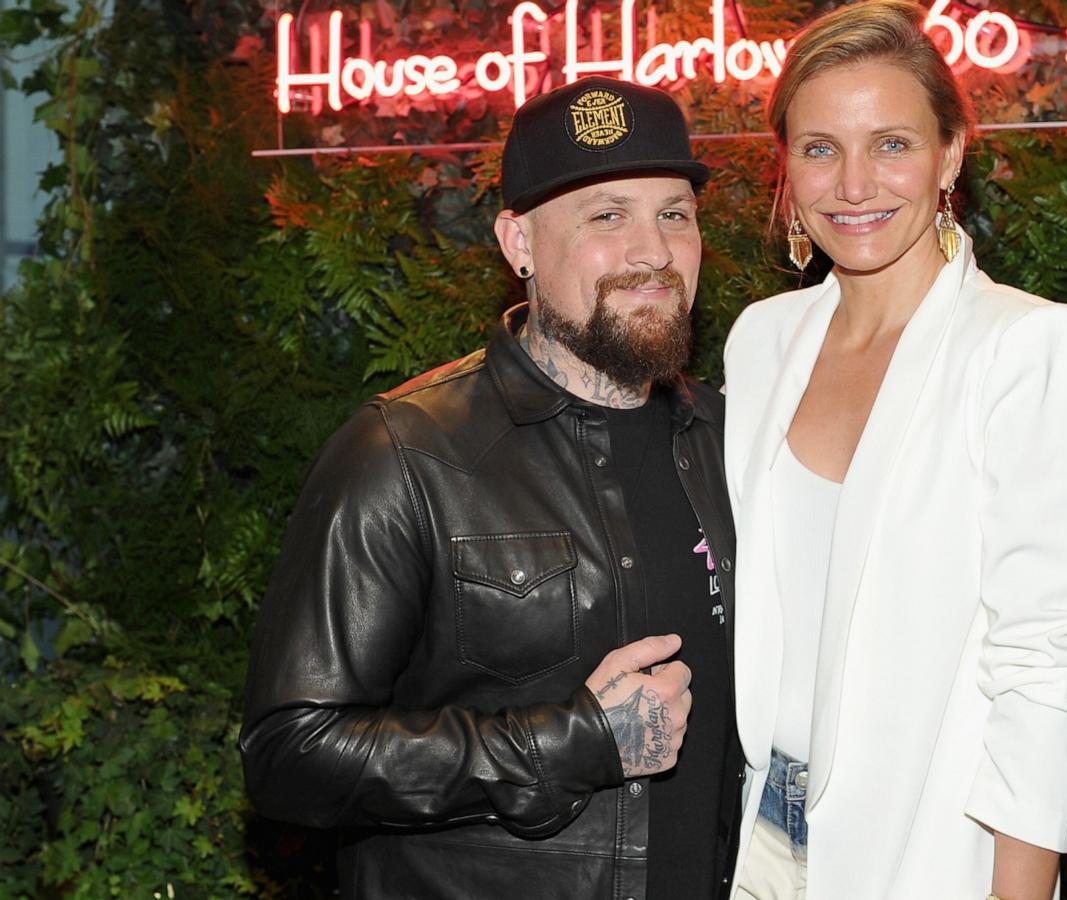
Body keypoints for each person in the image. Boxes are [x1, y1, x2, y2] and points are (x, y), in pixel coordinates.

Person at [240, 76, 742, 900]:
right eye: (606, 216)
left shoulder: (730, 440)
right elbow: (289, 754)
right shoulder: (406, 450)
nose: (652, 251)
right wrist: (573, 743)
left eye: (674, 213)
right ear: (518, 243)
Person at [721, 3, 1067, 898]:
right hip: (759, 842)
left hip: (933, 851)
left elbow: (1044, 664)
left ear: (950, 154)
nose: (854, 183)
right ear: (785, 165)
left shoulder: (1027, 349)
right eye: (820, 148)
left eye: (892, 144)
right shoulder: (760, 342)